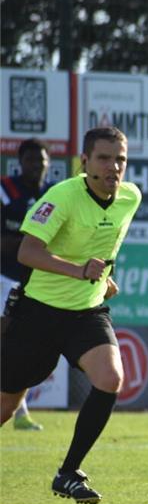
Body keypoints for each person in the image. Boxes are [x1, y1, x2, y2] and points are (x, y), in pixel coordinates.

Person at [0, 127, 139, 504]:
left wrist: (105, 277)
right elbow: (27, 253)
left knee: (111, 378)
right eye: (104, 158)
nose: (114, 167)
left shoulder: (130, 198)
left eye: (121, 159)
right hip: (38, 313)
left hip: (86, 312)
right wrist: (80, 270)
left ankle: (68, 473)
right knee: (6, 408)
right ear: (85, 162)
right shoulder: (61, 196)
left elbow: (105, 245)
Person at [1, 138, 52, 430]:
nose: (37, 166)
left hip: (36, 283)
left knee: (20, 343)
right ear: (20, 163)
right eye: (32, 160)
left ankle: (20, 412)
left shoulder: (52, 195)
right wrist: (28, 245)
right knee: (6, 339)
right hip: (4, 277)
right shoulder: (6, 191)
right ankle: (19, 412)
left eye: (42, 161)